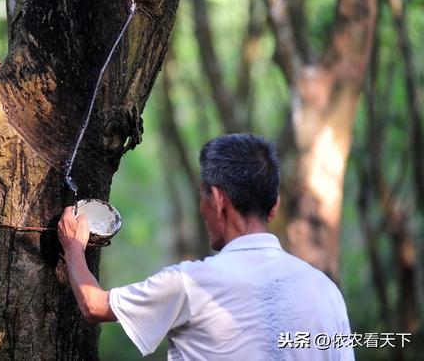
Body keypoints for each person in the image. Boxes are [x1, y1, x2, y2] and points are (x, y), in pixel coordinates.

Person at [58, 133, 354, 360]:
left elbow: (93, 304)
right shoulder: (326, 292)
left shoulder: (191, 283)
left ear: (218, 199)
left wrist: (73, 247)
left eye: (203, 195)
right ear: (274, 207)